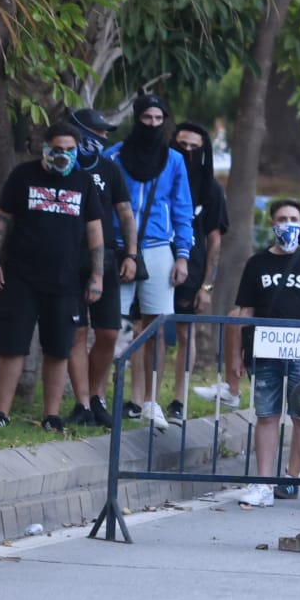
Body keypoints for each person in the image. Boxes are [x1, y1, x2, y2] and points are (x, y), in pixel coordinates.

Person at [0, 122, 105, 429]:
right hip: (21, 276)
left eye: (69, 150)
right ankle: (1, 413)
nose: (62, 155)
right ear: (45, 149)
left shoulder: (83, 181)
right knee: (12, 345)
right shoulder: (22, 176)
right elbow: (2, 219)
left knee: (58, 347)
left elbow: (95, 231)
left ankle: (51, 415)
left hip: (66, 281)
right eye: (57, 149)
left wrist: (97, 275)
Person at [226, 199, 300, 511]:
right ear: (273, 223)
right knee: (266, 415)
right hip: (265, 350)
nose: (288, 223)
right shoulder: (257, 263)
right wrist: (237, 355)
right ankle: (263, 485)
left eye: (294, 218)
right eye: (282, 218)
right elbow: (244, 312)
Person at [103, 94, 195, 426]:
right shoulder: (112, 156)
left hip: (159, 246)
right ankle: (104, 396)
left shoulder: (173, 160)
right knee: (113, 326)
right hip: (117, 246)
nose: (153, 125)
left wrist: (182, 256)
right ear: (137, 118)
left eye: (159, 119)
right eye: (147, 118)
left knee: (156, 328)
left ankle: (151, 400)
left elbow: (183, 209)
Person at [66, 111, 140, 425]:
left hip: (106, 257)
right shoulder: (63, 167)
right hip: (68, 257)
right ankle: (82, 402)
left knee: (108, 332)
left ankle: (97, 395)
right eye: (97, 131)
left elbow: (125, 214)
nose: (102, 138)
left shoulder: (109, 169)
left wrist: (131, 255)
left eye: (105, 132)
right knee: (77, 332)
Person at [164, 120, 228, 424]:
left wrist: (207, 287)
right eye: (182, 145)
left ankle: (179, 398)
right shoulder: (161, 179)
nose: (187, 152)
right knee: (144, 330)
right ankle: (143, 399)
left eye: (194, 147)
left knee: (184, 333)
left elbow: (215, 240)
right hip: (157, 262)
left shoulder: (212, 189)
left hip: (194, 269)